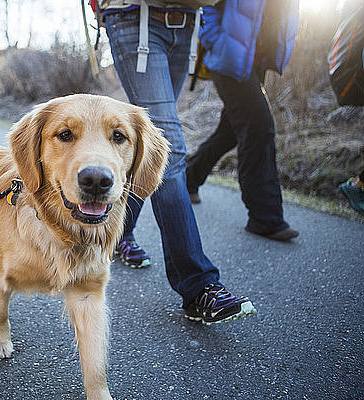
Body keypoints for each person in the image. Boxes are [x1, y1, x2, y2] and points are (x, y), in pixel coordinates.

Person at [98, 0, 256, 324]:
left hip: (186, 20)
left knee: (147, 146)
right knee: (167, 146)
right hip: (134, 19)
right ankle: (198, 286)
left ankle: (118, 234)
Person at [184, 0, 300, 242]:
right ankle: (264, 217)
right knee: (258, 127)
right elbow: (209, 5)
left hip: (257, 62)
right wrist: (215, 40)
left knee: (230, 132)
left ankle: (188, 179)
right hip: (230, 57)